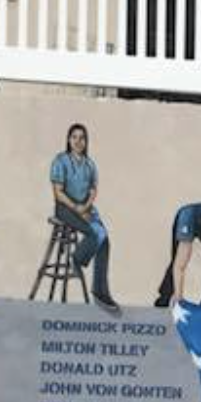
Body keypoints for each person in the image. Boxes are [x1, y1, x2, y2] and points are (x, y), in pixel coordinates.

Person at [48, 123, 116, 311]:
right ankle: (76, 259)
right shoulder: (60, 161)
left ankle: (101, 290)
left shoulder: (89, 164)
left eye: (82, 138)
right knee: (93, 235)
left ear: (86, 142)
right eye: (74, 137)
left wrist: (86, 206)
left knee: (104, 240)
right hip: (65, 208)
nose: (78, 141)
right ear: (69, 140)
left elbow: (93, 190)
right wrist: (77, 209)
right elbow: (58, 192)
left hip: (85, 207)